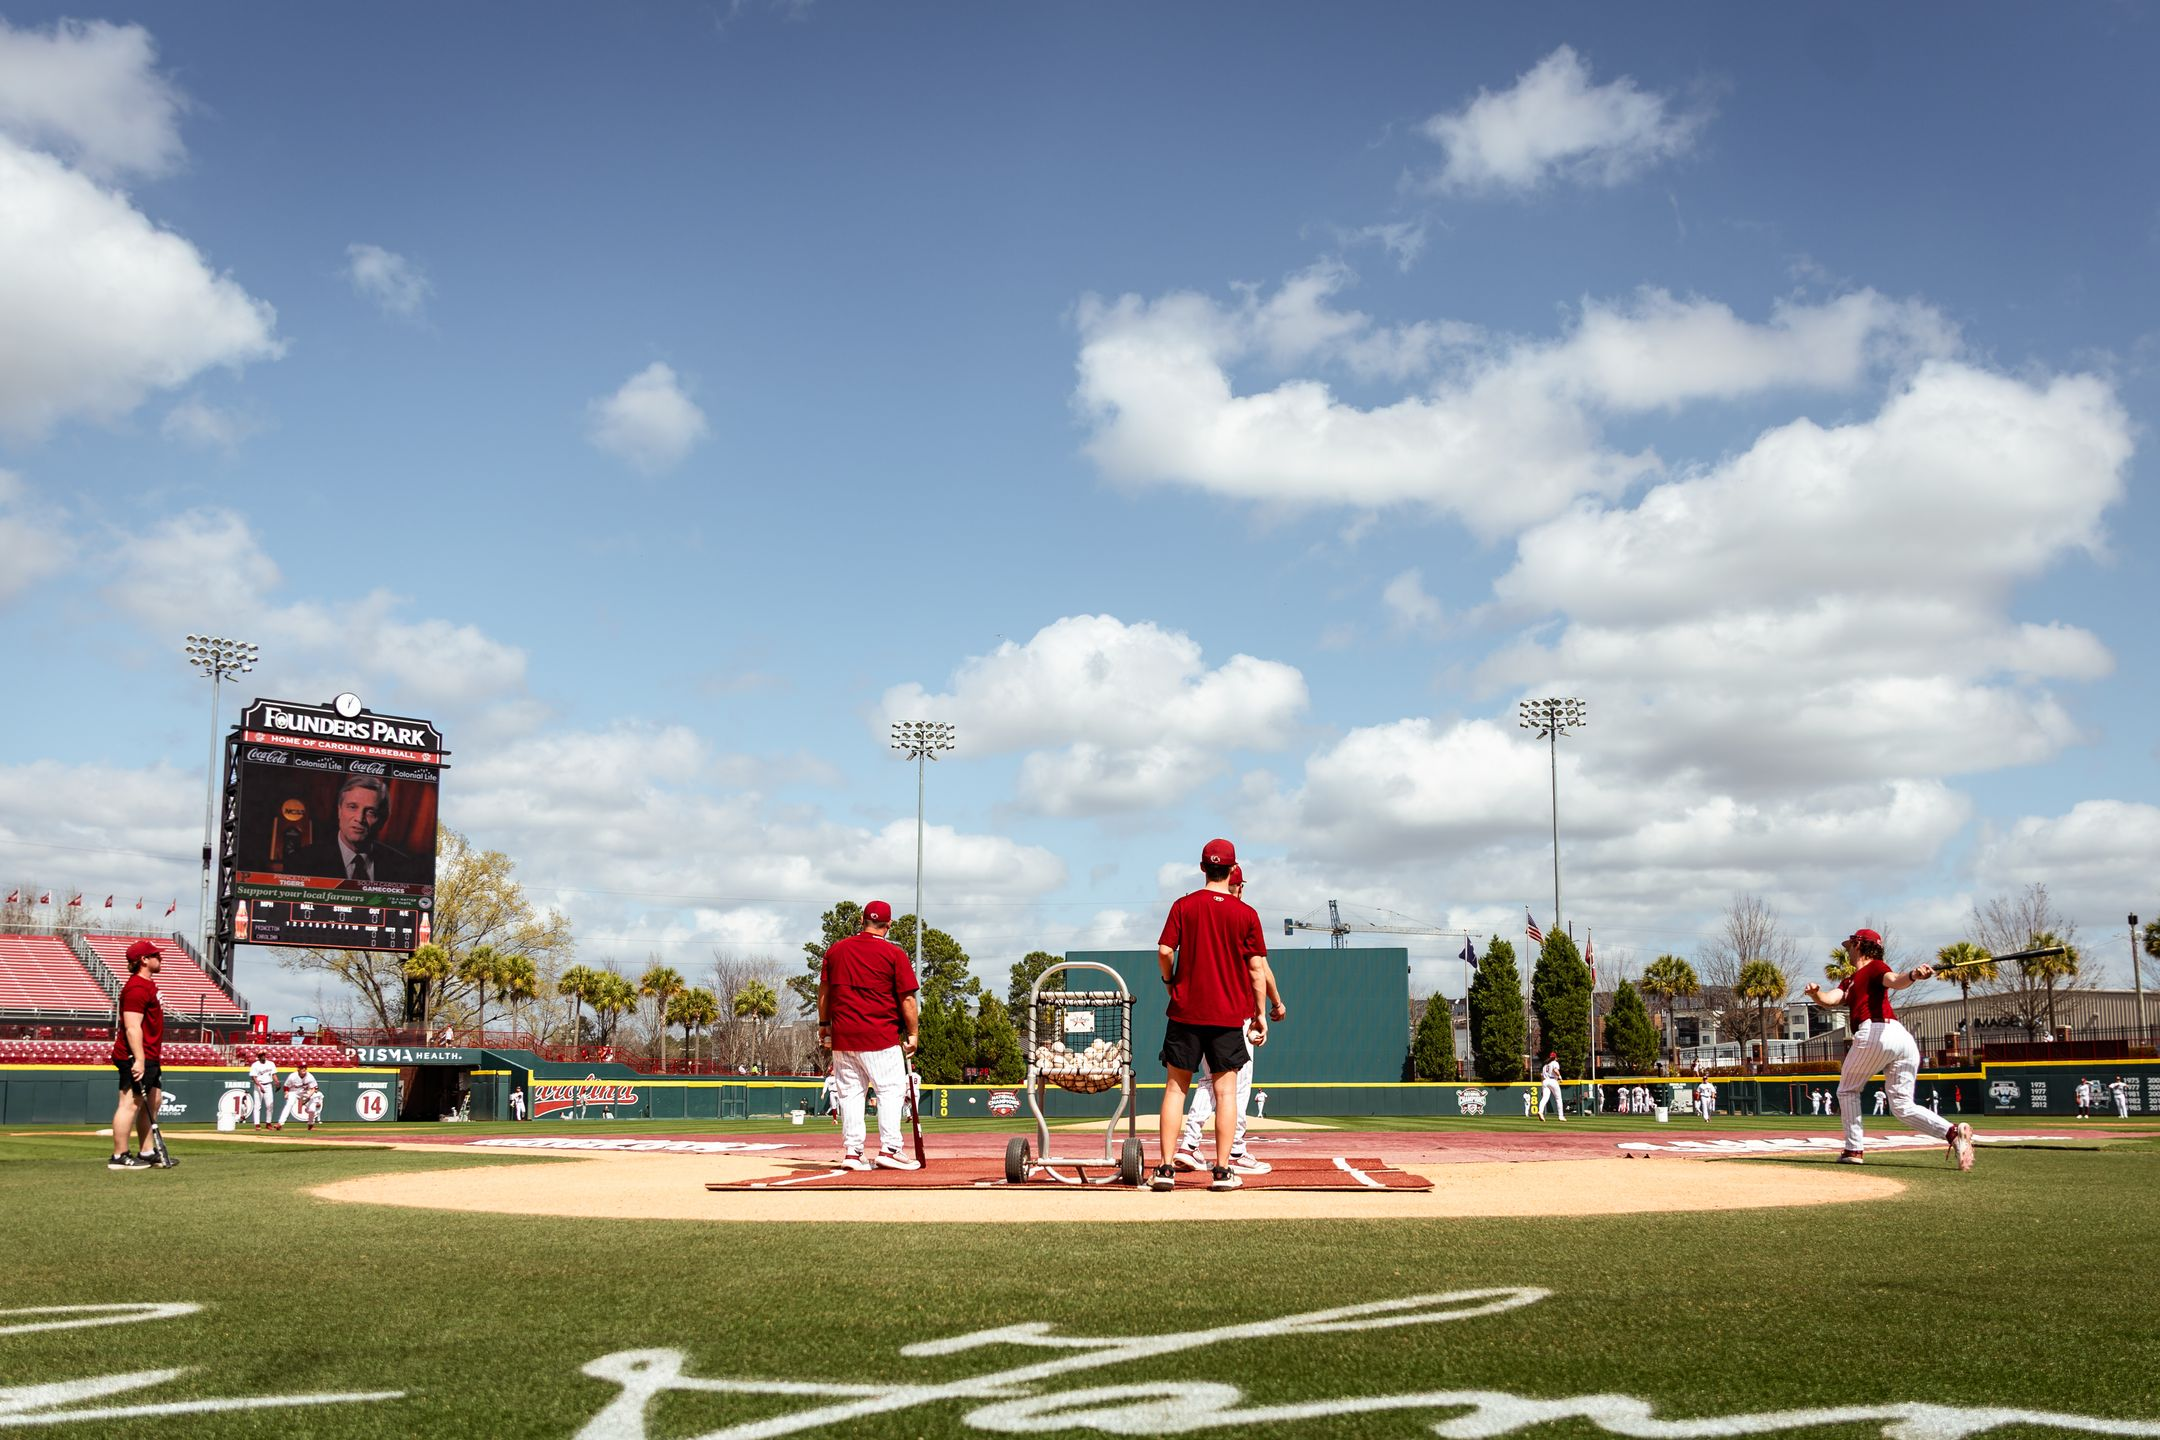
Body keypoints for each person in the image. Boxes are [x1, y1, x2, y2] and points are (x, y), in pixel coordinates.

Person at [1152, 838, 1268, 1193]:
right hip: (1228, 1015)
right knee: (1227, 1094)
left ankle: (1166, 1169)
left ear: (1203, 867)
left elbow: (1164, 950)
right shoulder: (1245, 914)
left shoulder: (1183, 906)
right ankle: (1221, 1171)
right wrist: (1260, 1013)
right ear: (1233, 870)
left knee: (1176, 1089)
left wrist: (1170, 981)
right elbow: (1255, 969)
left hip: (1186, 1011)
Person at [1804, 928, 1972, 1170]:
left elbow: (1894, 981)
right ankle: (1953, 1133)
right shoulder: (1850, 981)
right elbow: (1830, 999)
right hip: (1901, 1039)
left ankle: (1853, 1149)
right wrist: (1816, 993)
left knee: (1848, 1090)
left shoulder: (1875, 967)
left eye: (1849, 946)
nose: (1848, 951)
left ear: (1859, 944)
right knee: (1902, 1105)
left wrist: (1913, 975)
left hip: (1876, 1032)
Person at [1174, 864, 1285, 1177]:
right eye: (1240, 884)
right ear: (1234, 884)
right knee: (1236, 1087)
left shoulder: (1199, 912)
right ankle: (1234, 1151)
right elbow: (1259, 968)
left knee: (1208, 1081)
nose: (1242, 889)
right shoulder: (1240, 915)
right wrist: (1275, 1004)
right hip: (1236, 1016)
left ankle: (1189, 1145)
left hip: (1203, 1013)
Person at [816, 900, 921, 1170]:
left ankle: (853, 1152)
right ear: (889, 924)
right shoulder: (894, 954)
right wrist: (913, 1033)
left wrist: (824, 1025)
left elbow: (824, 992)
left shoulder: (836, 950)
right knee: (890, 1090)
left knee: (850, 1094)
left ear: (862, 920)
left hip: (843, 1036)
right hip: (879, 1035)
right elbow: (907, 999)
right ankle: (891, 1148)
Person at [108, 940, 173, 1170]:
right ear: (144, 960)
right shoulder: (136, 987)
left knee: (154, 1101)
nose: (160, 958)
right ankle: (119, 1156)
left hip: (150, 1053)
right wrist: (139, 1059)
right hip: (134, 1054)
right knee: (130, 1103)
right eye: (156, 955)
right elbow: (132, 1027)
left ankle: (146, 1152)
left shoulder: (148, 985)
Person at [289, 775, 424, 884]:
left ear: (383, 819)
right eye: (352, 807)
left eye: (371, 812)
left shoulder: (404, 867)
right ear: (339, 810)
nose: (359, 819)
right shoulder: (302, 862)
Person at [247, 1049, 278, 1131]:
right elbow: (254, 1077)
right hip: (258, 1085)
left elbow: (273, 1074)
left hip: (268, 1085)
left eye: (264, 1054)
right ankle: (257, 1124)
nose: (263, 1056)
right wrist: (260, 1086)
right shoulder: (255, 1065)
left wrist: (277, 1081)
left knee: (270, 1105)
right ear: (258, 1057)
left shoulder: (271, 1064)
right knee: (257, 1106)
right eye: (261, 1055)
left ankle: (268, 1123)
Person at [278, 1063, 314, 1128]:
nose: (304, 1069)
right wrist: (286, 1093)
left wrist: (308, 1096)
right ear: (298, 1069)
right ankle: (280, 1123)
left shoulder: (310, 1076)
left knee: (312, 1109)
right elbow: (286, 1086)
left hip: (305, 1092)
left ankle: (310, 1123)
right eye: (302, 1067)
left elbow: (313, 1088)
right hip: (293, 1092)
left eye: (305, 1068)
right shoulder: (292, 1076)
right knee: (289, 1104)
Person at [1537, 1052, 1565, 1121]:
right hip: (1552, 1081)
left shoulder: (1545, 1065)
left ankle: (1540, 1111)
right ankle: (1561, 1116)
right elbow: (1555, 1070)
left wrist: (1542, 1085)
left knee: (1544, 1098)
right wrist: (1560, 1076)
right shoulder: (1554, 1063)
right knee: (1558, 1099)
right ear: (1555, 1057)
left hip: (1545, 1081)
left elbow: (1541, 1075)